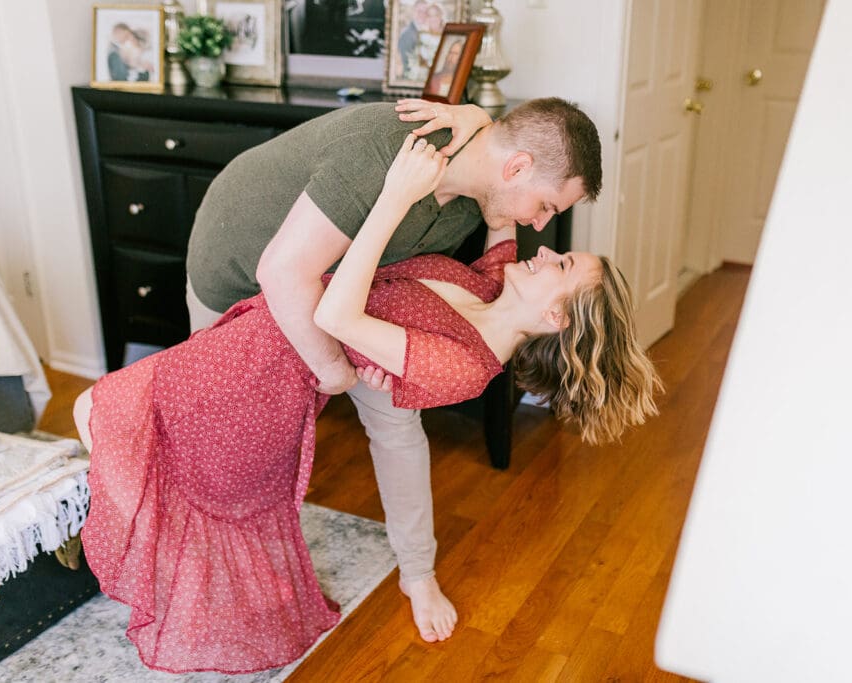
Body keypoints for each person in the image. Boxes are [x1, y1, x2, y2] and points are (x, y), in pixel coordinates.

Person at [74, 135, 660, 674]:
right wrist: (467, 120)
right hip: (256, 333)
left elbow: (334, 317)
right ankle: (141, 546)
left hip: (258, 374)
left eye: (561, 265)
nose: (545, 249)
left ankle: (138, 550)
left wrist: (395, 198)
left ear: (556, 318)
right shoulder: (493, 280)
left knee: (113, 427)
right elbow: (502, 196)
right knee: (141, 445)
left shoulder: (464, 365)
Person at [184, 96, 603, 644]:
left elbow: (504, 126)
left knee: (398, 429)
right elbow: (282, 274)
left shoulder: (475, 193)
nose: (540, 227)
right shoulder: (386, 156)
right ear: (517, 168)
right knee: (231, 443)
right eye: (546, 205)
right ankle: (207, 580)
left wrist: (476, 111)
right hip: (246, 275)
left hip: (352, 296)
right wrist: (335, 373)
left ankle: (418, 572)